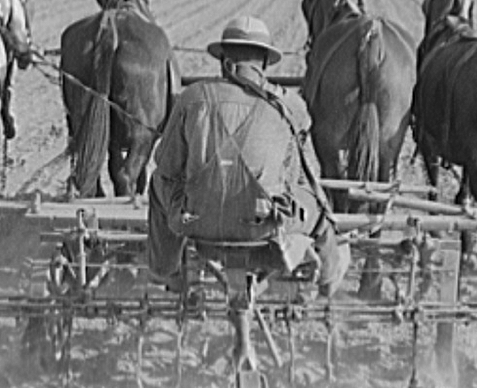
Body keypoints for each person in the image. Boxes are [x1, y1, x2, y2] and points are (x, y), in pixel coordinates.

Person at [147, 16, 350, 295]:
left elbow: (167, 167)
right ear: (265, 63)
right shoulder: (291, 107)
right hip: (263, 226)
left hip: (196, 223)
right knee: (317, 206)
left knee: (158, 183)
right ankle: (328, 278)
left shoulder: (192, 97)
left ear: (224, 62)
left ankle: (166, 269)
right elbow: (293, 174)